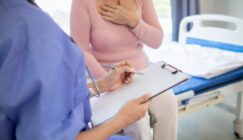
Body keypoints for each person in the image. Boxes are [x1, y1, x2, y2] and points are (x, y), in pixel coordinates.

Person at [0, 0, 151, 140]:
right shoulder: (35, 34)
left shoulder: (11, 17)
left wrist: (103, 83)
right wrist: (122, 119)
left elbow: (28, 94)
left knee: (167, 103)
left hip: (136, 73)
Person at [70, 0, 178, 139]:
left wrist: (134, 22)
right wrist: (108, 80)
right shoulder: (82, 2)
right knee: (138, 123)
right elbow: (81, 49)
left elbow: (157, 41)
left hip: (142, 73)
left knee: (169, 104)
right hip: (107, 78)